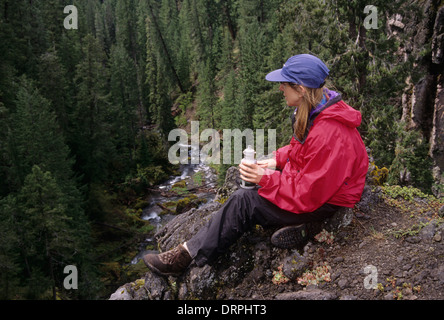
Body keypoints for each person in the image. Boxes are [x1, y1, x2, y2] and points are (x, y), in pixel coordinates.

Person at [143, 54, 369, 277]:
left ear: (300, 88)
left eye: (284, 83)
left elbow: (307, 194)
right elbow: (303, 151)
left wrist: (265, 178)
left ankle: (186, 256)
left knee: (245, 200)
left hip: (326, 202)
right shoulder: (318, 108)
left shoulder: (328, 133)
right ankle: (307, 226)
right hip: (320, 190)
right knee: (250, 186)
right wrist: (275, 160)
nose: (280, 88)